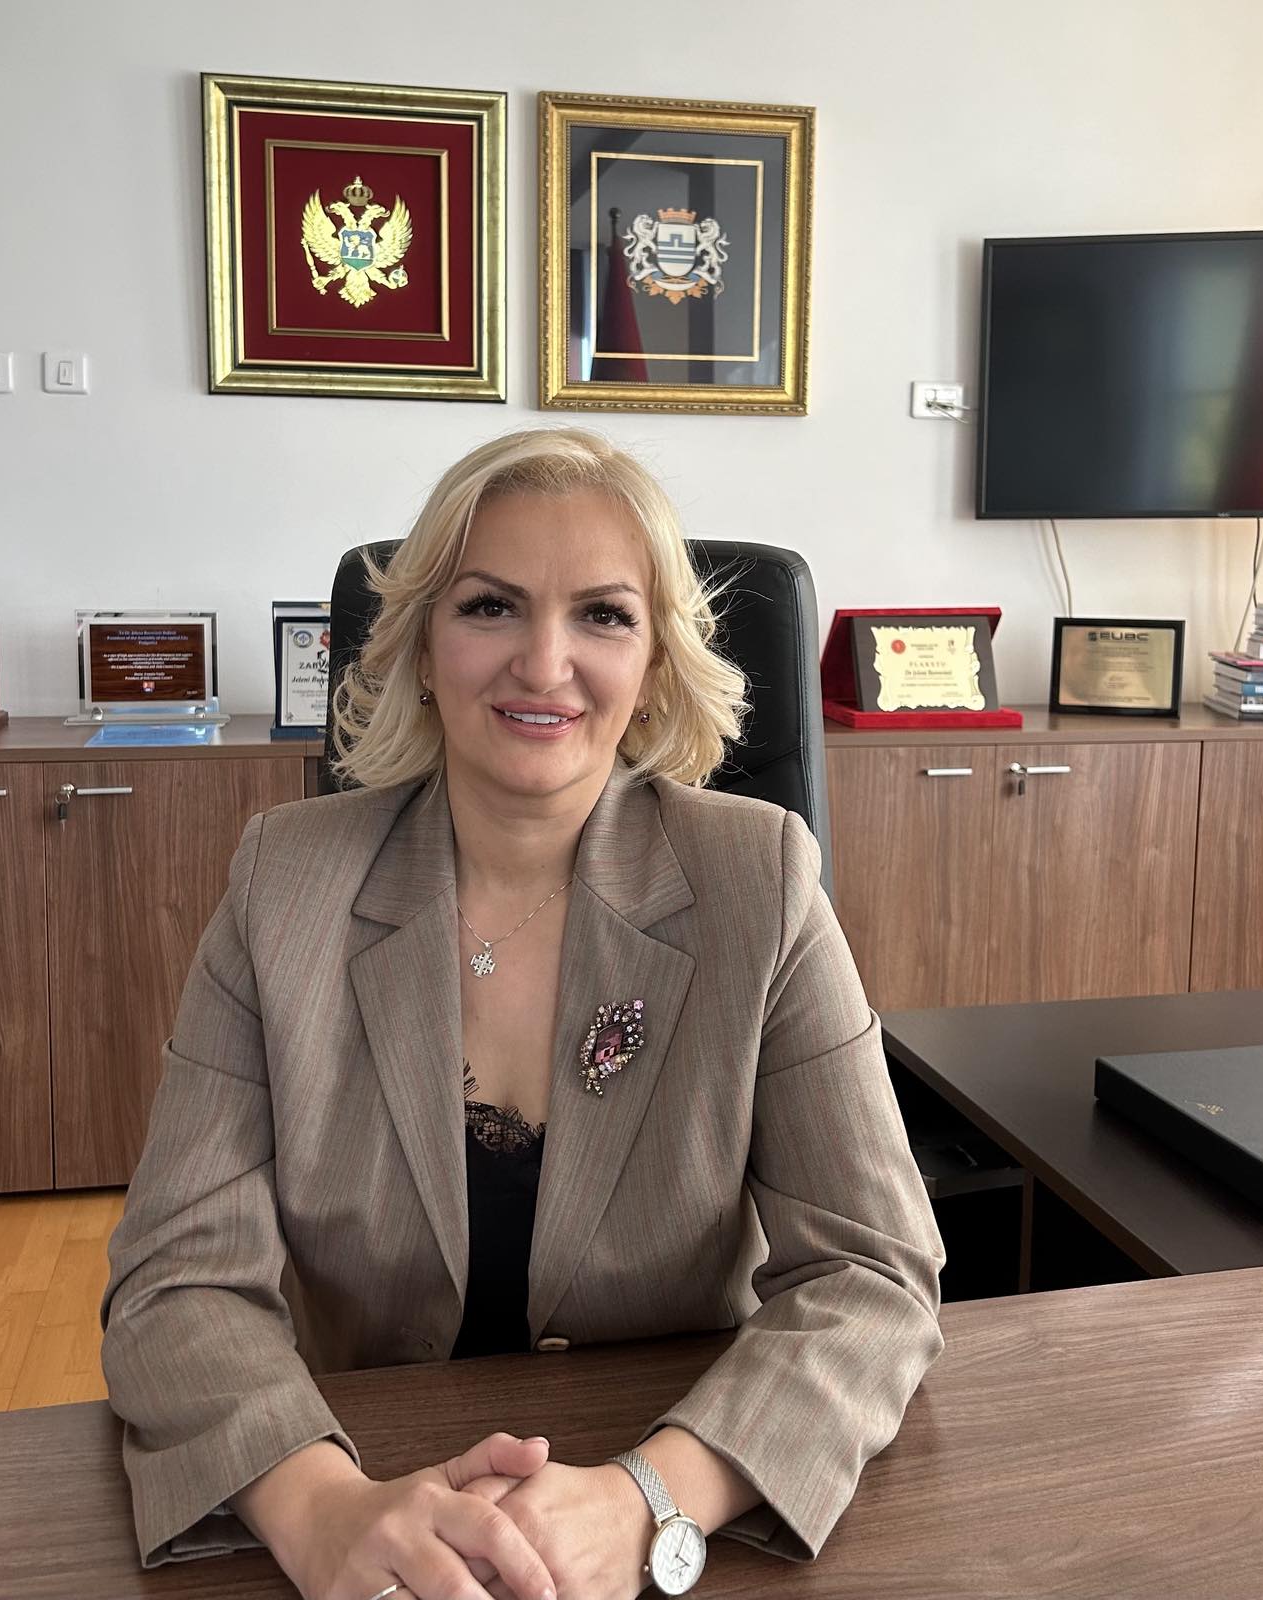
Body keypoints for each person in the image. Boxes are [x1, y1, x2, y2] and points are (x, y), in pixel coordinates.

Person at [100, 427, 946, 1600]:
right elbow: (174, 1278)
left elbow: (873, 1272)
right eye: (491, 606)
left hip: (665, 1469)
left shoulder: (759, 880)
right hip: (364, 1475)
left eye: (602, 614)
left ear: (654, 660)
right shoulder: (285, 882)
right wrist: (320, 1508)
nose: (544, 664)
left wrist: (651, 1496)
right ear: (421, 645)